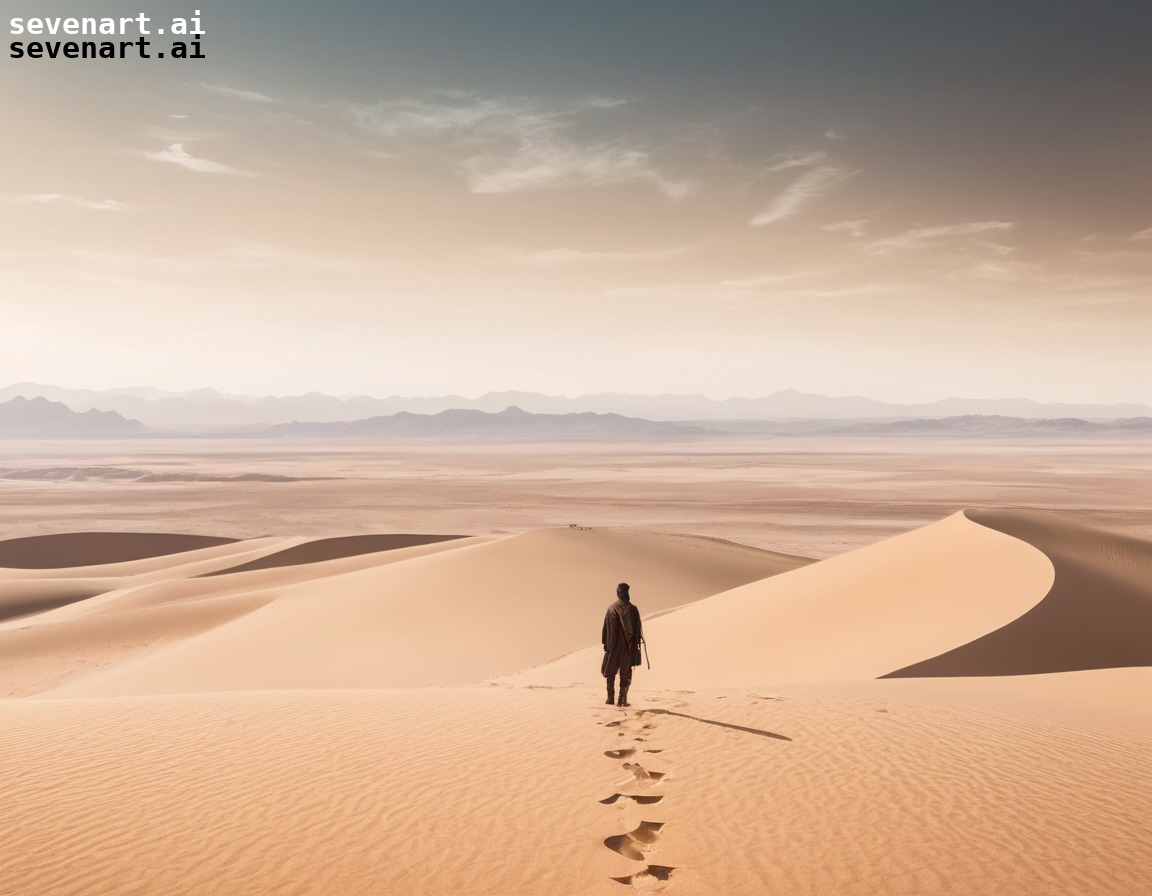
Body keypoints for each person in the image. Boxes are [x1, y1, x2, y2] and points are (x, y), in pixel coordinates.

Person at [602, 582, 642, 707]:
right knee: (625, 674)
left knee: (611, 673)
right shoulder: (632, 609)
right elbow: (637, 630)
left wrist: (606, 645)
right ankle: (621, 700)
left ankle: (610, 699)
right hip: (626, 647)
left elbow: (605, 630)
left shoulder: (611, 608)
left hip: (612, 647)